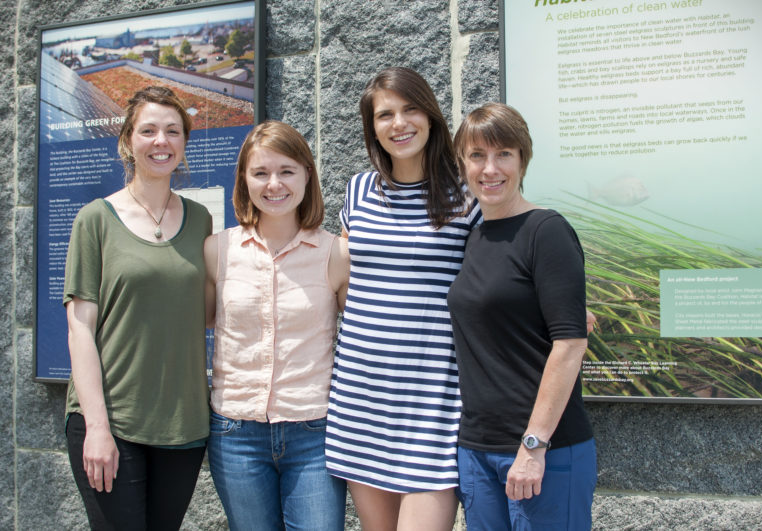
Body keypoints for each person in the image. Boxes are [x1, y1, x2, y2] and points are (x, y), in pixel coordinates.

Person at [324, 66, 481, 531]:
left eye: (410, 109)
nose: (399, 123)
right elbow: (345, 286)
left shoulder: (467, 193)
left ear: (431, 116)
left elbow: (496, 279)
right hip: (362, 397)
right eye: (385, 114)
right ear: (372, 127)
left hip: (433, 402)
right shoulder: (358, 191)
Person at [63, 86, 211, 530]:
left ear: (184, 141)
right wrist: (97, 428)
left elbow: (208, 313)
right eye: (148, 130)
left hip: (182, 427)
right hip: (113, 422)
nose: (160, 141)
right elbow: (80, 330)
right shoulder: (96, 219)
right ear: (128, 140)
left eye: (172, 130)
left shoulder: (201, 220)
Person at [448, 102, 597, 530]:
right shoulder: (474, 237)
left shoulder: (545, 231)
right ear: (463, 164)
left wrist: (533, 446)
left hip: (544, 450)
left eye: (503, 155)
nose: (489, 169)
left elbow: (570, 345)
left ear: (523, 160)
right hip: (477, 449)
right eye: (477, 156)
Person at [204, 120, 350, 531]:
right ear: (244, 180)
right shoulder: (218, 250)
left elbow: (360, 340)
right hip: (235, 433)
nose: (274, 184)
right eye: (261, 173)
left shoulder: (336, 253)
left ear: (307, 174)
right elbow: (198, 320)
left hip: (314, 432)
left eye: (286, 171)